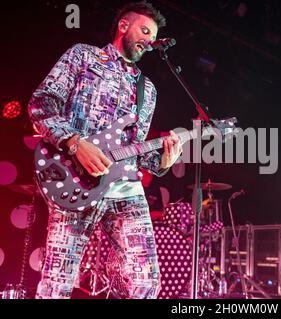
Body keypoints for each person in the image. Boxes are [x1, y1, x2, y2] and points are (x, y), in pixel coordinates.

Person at [28, 1, 182, 299]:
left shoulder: (147, 90)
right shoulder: (82, 56)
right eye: (145, 30)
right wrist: (74, 143)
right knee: (58, 282)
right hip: (74, 179)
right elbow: (41, 103)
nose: (150, 40)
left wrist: (163, 160)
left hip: (125, 187)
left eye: (154, 35)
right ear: (124, 26)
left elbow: (134, 150)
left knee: (145, 281)